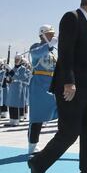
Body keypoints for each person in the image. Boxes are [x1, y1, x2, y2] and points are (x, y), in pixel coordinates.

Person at [27, 0, 87, 173]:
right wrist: (68, 82)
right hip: (72, 90)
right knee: (69, 133)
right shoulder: (71, 17)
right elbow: (66, 51)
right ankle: (39, 163)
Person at [27, 24, 58, 154]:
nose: (52, 36)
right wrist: (49, 45)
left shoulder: (52, 51)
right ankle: (32, 144)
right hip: (39, 86)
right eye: (49, 33)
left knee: (61, 112)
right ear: (42, 35)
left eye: (52, 34)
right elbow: (37, 53)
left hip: (52, 85)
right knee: (37, 116)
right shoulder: (36, 47)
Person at [4, 55, 30, 127]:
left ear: (21, 60)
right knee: (11, 104)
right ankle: (11, 120)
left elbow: (19, 77)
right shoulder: (13, 68)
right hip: (12, 87)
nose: (16, 60)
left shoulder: (23, 69)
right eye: (15, 59)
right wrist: (7, 76)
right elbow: (10, 78)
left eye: (18, 59)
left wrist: (10, 71)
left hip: (18, 87)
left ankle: (15, 121)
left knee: (15, 104)